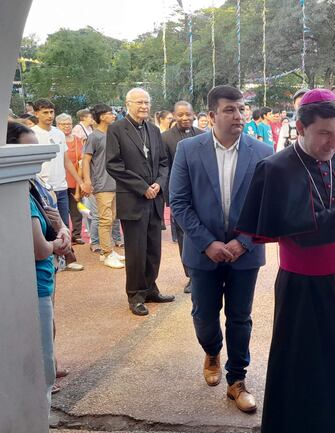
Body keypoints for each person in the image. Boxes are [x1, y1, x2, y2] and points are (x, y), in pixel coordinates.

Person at [237, 89, 335, 432]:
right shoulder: (276, 169)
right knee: (306, 373)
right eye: (324, 133)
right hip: (304, 292)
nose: (333, 142)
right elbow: (303, 232)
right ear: (301, 128)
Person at [170, 85, 272, 414]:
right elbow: (180, 203)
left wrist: (243, 243)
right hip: (203, 254)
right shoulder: (189, 150)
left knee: (240, 318)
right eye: (230, 110)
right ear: (212, 115)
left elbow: (268, 205)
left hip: (246, 253)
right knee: (204, 316)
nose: (239, 115)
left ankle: (237, 380)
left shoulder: (263, 150)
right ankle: (212, 351)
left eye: (241, 109)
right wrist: (209, 243)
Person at [8, 121, 71, 415]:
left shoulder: (32, 184)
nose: (36, 158)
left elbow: (54, 218)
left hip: (43, 280)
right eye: (27, 151)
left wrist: (61, 230)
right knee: (41, 368)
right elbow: (39, 248)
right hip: (34, 284)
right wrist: (58, 243)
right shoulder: (19, 191)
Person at [106, 87, 175, 316]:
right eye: (139, 102)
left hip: (154, 199)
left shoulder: (154, 130)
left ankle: (150, 288)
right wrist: (142, 187)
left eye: (146, 102)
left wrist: (159, 183)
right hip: (133, 200)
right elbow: (114, 165)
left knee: (154, 249)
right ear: (128, 104)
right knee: (136, 250)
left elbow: (164, 163)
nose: (144, 106)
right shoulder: (116, 129)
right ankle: (135, 294)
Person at [32, 99, 85, 271]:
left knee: (64, 225)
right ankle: (52, 260)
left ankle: (67, 258)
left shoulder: (59, 134)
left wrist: (80, 181)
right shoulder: (32, 134)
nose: (48, 115)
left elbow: (66, 161)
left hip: (61, 187)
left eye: (51, 112)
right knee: (46, 225)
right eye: (45, 112)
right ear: (36, 113)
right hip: (42, 188)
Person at [162, 100, 204, 293]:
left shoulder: (203, 135)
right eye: (180, 115)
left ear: (193, 114)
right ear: (174, 115)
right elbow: (165, 168)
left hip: (201, 195)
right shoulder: (165, 138)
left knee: (200, 233)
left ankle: (202, 272)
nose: (185, 118)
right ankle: (190, 276)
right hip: (179, 195)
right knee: (182, 237)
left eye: (188, 114)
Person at [82, 104, 125, 269]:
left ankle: (109, 251)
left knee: (112, 218)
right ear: (100, 116)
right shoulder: (94, 137)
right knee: (105, 219)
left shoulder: (114, 134)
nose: (113, 115)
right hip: (102, 184)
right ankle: (106, 253)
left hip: (116, 183)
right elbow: (86, 160)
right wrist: (87, 181)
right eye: (109, 113)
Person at [56, 113, 87, 244]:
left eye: (69, 124)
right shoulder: (55, 139)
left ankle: (76, 234)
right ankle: (64, 234)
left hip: (75, 179)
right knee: (61, 210)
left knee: (76, 208)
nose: (66, 126)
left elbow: (84, 158)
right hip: (60, 179)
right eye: (63, 124)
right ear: (57, 125)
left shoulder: (78, 139)